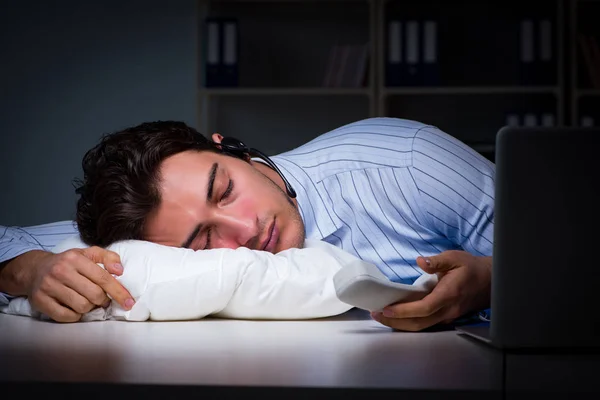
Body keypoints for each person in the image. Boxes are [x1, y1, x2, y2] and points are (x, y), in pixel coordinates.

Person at [0, 117, 495, 329]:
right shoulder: (144, 241)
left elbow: (566, 251)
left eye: (224, 190)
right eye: (204, 239)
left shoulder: (405, 162)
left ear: (229, 145)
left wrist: (493, 282)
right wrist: (30, 270)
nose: (245, 229)